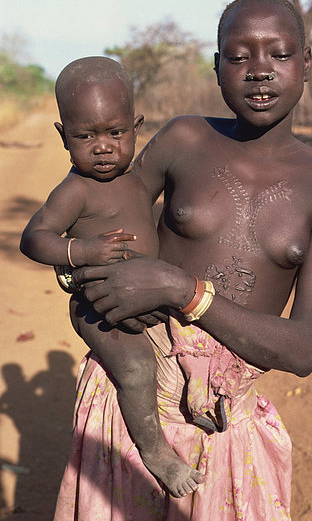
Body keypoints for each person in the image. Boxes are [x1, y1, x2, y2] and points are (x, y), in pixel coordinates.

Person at [54, 0, 312, 520]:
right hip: (132, 403)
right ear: (217, 68)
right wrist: (76, 266)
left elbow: (304, 349)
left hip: (224, 421)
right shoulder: (185, 138)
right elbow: (102, 214)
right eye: (238, 57)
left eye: (278, 55)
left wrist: (182, 290)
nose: (259, 71)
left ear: (306, 63)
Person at [20, 56, 204, 499]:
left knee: (186, 352)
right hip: (95, 306)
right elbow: (33, 238)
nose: (102, 147)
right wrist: (81, 252)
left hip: (144, 299)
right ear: (64, 138)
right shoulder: (74, 190)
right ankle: (155, 451)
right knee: (138, 368)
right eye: (85, 136)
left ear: (135, 127)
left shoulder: (137, 178)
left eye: (115, 133)